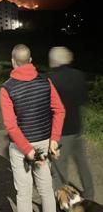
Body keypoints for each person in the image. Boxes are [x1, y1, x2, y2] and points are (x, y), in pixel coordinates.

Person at [0, 44, 65, 212]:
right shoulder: (45, 81)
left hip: (21, 148)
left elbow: (10, 125)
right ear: (30, 61)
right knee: (46, 190)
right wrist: (55, 140)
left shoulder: (7, 88)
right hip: (44, 143)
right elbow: (60, 110)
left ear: (13, 61)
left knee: (24, 193)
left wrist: (27, 149)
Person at [48, 46, 94, 199]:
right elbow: (83, 100)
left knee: (60, 169)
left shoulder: (51, 80)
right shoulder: (79, 75)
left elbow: (48, 107)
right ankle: (89, 195)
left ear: (54, 61)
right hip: (77, 127)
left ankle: (64, 202)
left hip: (61, 131)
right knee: (82, 163)